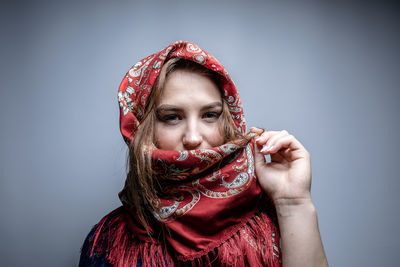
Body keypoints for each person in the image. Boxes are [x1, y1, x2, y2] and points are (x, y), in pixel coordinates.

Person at [79, 40, 328, 267]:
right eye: (172, 117)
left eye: (210, 115)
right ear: (140, 129)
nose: (194, 138)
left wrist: (293, 203)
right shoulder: (110, 241)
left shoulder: (271, 222)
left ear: (230, 119)